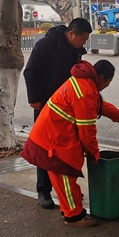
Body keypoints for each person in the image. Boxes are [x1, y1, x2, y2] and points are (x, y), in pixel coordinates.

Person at [21, 60, 119, 227]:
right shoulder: (87, 90)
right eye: (108, 83)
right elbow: (87, 131)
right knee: (65, 178)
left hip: (51, 134)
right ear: (102, 78)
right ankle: (74, 216)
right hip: (53, 140)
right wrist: (93, 154)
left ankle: (70, 210)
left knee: (64, 179)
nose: (106, 87)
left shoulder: (83, 81)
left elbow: (99, 105)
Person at [23, 17, 93, 209]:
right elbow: (30, 71)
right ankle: (43, 190)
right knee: (46, 148)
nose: (84, 43)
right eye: (83, 39)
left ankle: (67, 189)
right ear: (71, 34)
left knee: (68, 148)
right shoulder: (46, 45)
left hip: (67, 106)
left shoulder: (75, 49)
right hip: (45, 103)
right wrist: (34, 98)